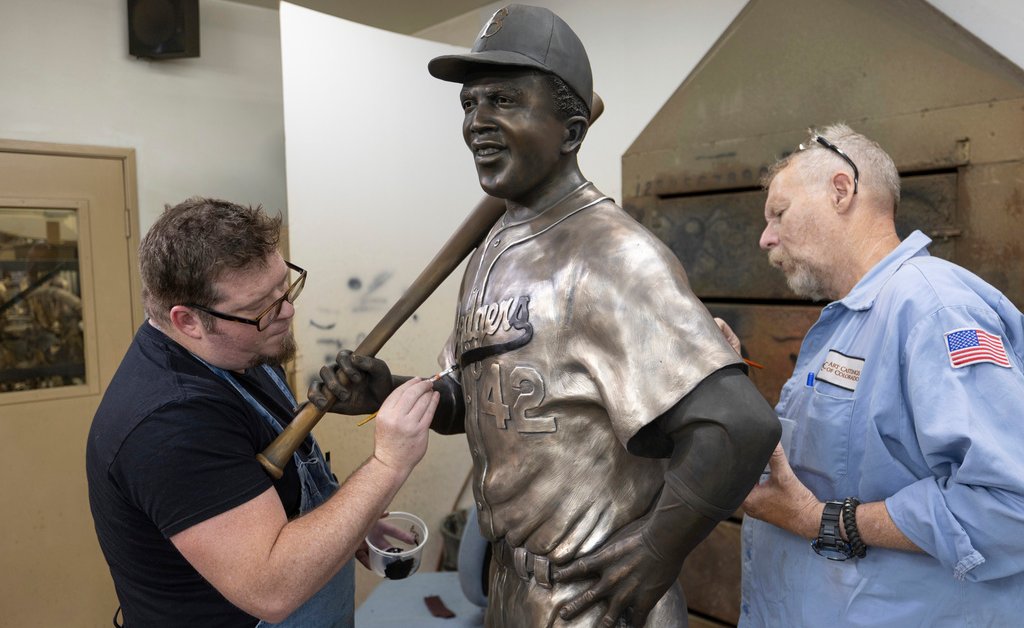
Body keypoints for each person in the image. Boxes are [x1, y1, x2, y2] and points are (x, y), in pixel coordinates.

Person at [310, 5, 780, 627]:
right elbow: (485, 402)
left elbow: (738, 425)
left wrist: (656, 550)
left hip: (594, 601)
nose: (477, 122)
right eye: (469, 104)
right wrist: (391, 390)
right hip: (512, 589)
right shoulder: (493, 250)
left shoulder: (615, 256)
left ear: (571, 130)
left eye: (504, 100)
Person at [86, 198, 439, 627]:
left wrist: (350, 524)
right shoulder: (169, 424)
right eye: (262, 307)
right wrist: (388, 465)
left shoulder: (241, 348)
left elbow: (269, 492)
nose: (287, 311)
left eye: (284, 286)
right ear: (188, 321)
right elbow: (271, 589)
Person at [738, 123, 1024, 626]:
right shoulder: (850, 320)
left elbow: (1008, 507)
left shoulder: (936, 310)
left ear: (841, 190)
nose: (766, 238)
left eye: (778, 213)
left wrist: (822, 520)